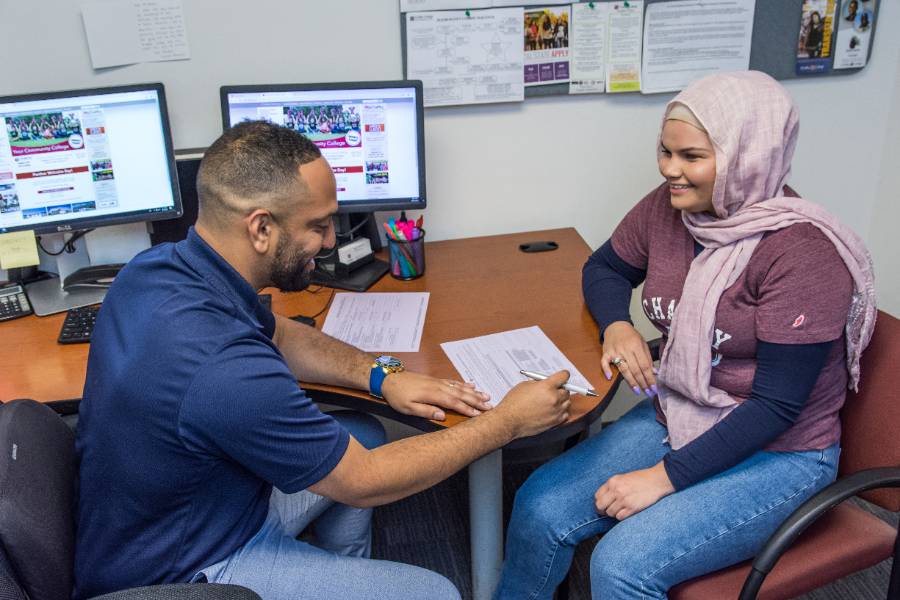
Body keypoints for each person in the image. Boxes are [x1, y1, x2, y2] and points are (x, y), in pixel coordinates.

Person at [73, 120, 573, 600]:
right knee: (438, 592)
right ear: (261, 228)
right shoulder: (224, 366)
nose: (333, 240)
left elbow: (283, 336)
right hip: (187, 571)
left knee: (366, 432)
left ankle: (337, 575)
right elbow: (364, 481)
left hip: (167, 517)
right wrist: (508, 422)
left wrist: (381, 375)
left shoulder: (156, 269)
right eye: (318, 225)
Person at [494, 71, 876, 599]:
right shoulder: (669, 208)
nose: (671, 170)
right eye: (666, 151)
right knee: (539, 505)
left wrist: (664, 477)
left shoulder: (802, 252)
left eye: (691, 157)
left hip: (781, 451)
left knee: (622, 565)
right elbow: (604, 268)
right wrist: (618, 324)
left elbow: (776, 407)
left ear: (748, 157)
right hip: (681, 407)